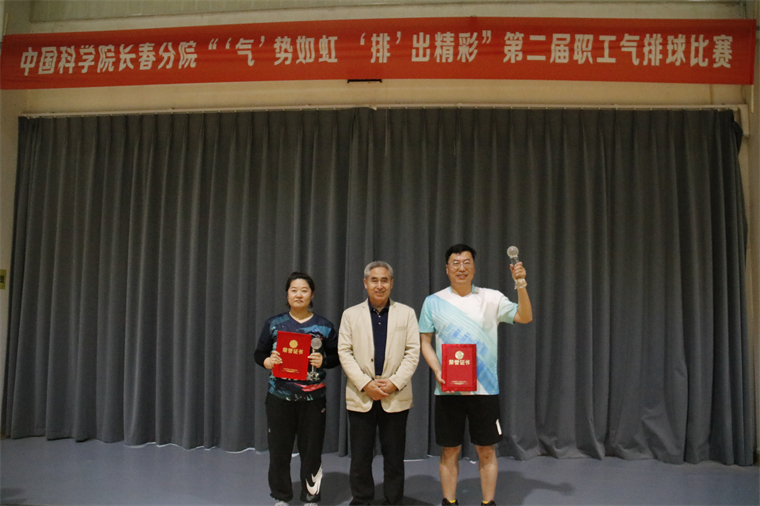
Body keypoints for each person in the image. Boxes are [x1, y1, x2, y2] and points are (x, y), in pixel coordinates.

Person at [419, 244, 533, 506]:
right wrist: (437, 369)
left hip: (485, 389)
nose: (461, 268)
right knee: (449, 449)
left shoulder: (492, 297)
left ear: (474, 266)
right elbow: (424, 341)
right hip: (448, 389)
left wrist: (520, 283)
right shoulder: (433, 301)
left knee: (486, 449)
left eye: (466, 262)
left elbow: (525, 316)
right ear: (447, 268)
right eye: (455, 263)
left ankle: (487, 502)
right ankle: (449, 502)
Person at [338, 261, 421, 505]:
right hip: (361, 394)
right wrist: (366, 384)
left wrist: (394, 383)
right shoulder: (350, 314)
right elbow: (344, 352)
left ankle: (393, 500)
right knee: (360, 457)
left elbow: (412, 352)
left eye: (384, 280)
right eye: (374, 280)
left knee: (394, 457)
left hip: (395, 395)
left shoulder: (407, 313)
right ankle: (362, 500)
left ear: (392, 283)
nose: (379, 285)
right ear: (365, 283)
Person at [254, 272, 339, 506]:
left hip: (313, 400)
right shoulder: (274, 324)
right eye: (294, 290)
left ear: (312, 294)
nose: (299, 294)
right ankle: (281, 497)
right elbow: (259, 353)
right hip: (279, 397)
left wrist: (324, 361)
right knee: (279, 452)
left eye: (304, 290)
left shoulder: (324, 326)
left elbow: (337, 357)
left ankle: (311, 497)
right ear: (287, 294)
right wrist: (268, 362)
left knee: (312, 452)